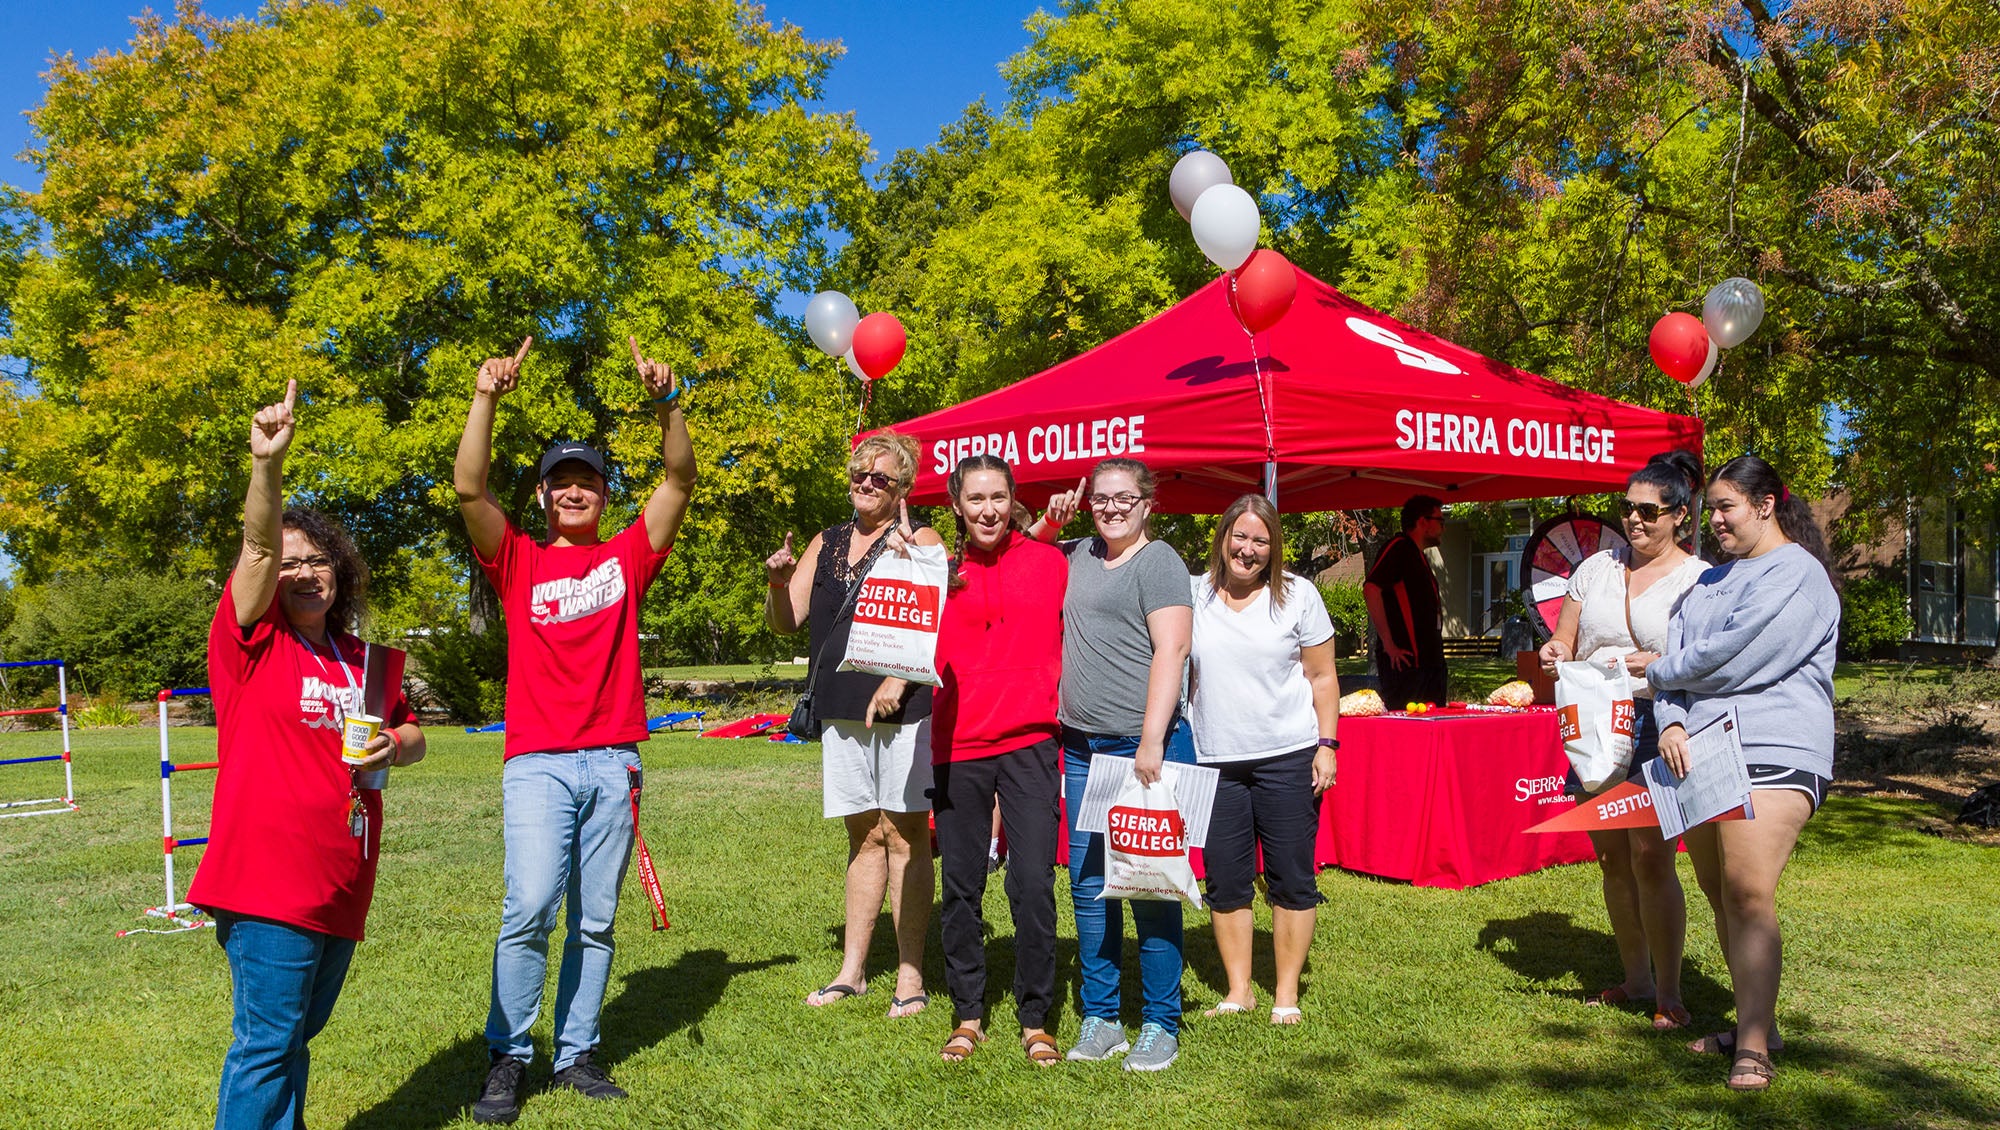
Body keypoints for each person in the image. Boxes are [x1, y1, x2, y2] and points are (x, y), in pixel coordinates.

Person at [457, 336, 696, 1123]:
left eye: (586, 480)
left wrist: (669, 404)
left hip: (612, 761)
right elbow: (467, 489)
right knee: (528, 905)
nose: (573, 491)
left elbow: (679, 478)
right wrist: (486, 395)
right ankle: (508, 1054)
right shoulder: (518, 560)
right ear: (544, 496)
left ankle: (578, 1052)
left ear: (602, 494)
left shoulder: (628, 558)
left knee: (596, 918)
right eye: (559, 481)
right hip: (538, 763)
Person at [192, 380, 427, 1129]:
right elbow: (258, 547)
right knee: (266, 1045)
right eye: (287, 563)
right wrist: (266, 465)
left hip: (343, 877)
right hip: (267, 881)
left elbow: (412, 732)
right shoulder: (251, 644)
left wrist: (396, 743)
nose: (301, 571)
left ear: (340, 570)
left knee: (295, 1038)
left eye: (315, 558)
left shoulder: (365, 659)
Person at [1648, 454, 1839, 1093]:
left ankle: (1753, 1046)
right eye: (1711, 510)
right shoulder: (1706, 583)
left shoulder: (1798, 574)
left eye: (1727, 508)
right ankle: (1762, 1022)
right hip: (1697, 753)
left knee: (1748, 888)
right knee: (1719, 891)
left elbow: (1735, 661)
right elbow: (1680, 663)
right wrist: (1671, 721)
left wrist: (1655, 672)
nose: (1716, 522)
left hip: (1774, 747)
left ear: (1765, 505)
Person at [868, 455, 1067, 1065]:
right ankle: (968, 1013)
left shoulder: (1051, 563)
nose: (988, 509)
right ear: (956, 505)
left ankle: (1036, 1018)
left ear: (1013, 502)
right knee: (961, 887)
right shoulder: (937, 574)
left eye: (998, 497)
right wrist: (895, 683)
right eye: (975, 498)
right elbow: (907, 641)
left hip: (1033, 741)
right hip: (959, 746)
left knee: (1032, 883)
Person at [764, 431, 937, 1018]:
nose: (866, 484)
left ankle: (910, 977)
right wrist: (775, 581)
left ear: (903, 488)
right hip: (841, 709)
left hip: (902, 706)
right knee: (863, 835)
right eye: (859, 474)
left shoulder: (920, 537)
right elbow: (788, 621)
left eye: (880, 477)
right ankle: (853, 971)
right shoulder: (828, 540)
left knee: (906, 836)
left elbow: (937, 619)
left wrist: (923, 555)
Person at [1537, 451, 1708, 1030]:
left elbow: (1705, 660)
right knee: (1612, 858)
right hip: (1592, 723)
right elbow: (1567, 636)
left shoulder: (1698, 579)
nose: (1634, 520)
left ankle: (1670, 992)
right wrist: (1556, 651)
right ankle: (1635, 980)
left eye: (1648, 511)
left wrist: (1661, 662)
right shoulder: (1595, 569)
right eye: (1627, 509)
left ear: (1679, 516)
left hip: (1657, 723)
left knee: (1653, 858)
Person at [1045, 457, 1196, 1072]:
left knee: (1149, 886)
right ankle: (1101, 1017)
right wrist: (1050, 524)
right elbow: (1019, 560)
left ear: (1146, 503)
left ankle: (1162, 1023)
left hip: (1143, 752)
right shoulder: (1078, 552)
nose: (1111, 507)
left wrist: (1151, 741)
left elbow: (1174, 648)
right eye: (1100, 498)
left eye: (1123, 498)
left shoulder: (1158, 561)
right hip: (1082, 748)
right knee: (1089, 886)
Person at [1186, 494, 1340, 1025]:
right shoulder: (1193, 595)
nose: (1247, 550)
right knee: (1226, 879)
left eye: (1260, 540)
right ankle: (1238, 990)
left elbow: (1322, 677)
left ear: (1273, 547)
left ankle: (1287, 995)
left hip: (1288, 757)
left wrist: (1327, 745)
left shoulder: (1298, 596)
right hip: (1214, 761)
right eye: (1240, 536)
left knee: (1291, 878)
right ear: (1223, 536)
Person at [1364, 495, 1447, 707]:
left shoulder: (1419, 556)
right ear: (1422, 522)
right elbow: (1372, 589)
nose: (1443, 528)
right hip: (1408, 664)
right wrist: (1389, 645)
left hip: (1430, 664)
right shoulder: (1399, 547)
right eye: (1440, 521)